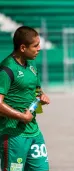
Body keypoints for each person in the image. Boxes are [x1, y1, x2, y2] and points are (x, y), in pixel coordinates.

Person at [0, 26, 50, 171]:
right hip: (13, 135)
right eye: (35, 45)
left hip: (34, 131)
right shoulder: (6, 69)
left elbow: (36, 90)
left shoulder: (32, 64)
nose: (39, 48)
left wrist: (42, 96)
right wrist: (22, 116)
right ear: (23, 47)